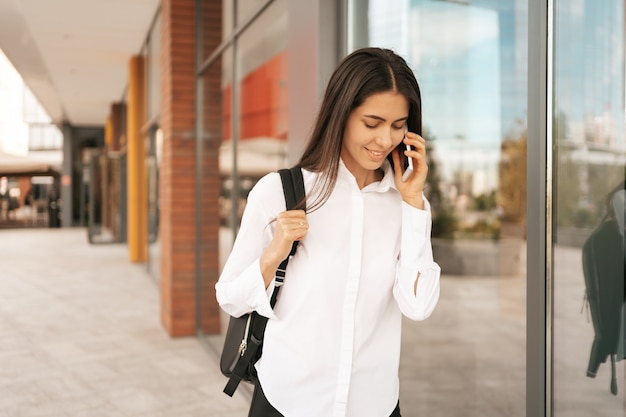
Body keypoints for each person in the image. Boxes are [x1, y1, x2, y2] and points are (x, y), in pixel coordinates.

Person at [215, 47, 441, 417]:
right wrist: (274, 253)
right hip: (288, 402)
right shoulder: (279, 193)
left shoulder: (406, 205)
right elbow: (230, 298)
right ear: (342, 113)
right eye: (372, 123)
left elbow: (417, 307)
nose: (385, 139)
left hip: (374, 404)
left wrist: (415, 203)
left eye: (398, 125)